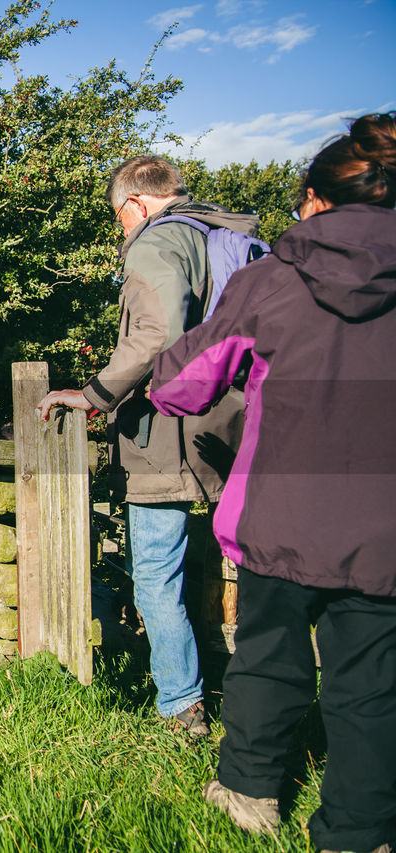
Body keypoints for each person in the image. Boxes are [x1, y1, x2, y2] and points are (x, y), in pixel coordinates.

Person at [149, 112, 396, 853]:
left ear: (315, 201)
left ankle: (251, 792)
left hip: (281, 507)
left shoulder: (272, 279)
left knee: (268, 654)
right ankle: (359, 832)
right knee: (373, 683)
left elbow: (183, 384)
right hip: (387, 523)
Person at [37, 155, 258, 737]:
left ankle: (182, 706)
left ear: (136, 204)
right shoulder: (226, 237)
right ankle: (253, 694)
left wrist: (96, 393)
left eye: (118, 218)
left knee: (156, 568)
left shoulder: (155, 244)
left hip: (172, 428)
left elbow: (158, 332)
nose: (120, 231)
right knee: (249, 562)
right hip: (239, 421)